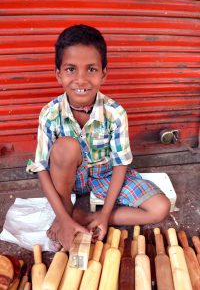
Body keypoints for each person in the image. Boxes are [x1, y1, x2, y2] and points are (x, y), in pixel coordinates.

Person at [27, 24, 170, 251]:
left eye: (91, 69)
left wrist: (104, 215)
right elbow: (41, 168)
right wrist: (61, 216)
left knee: (160, 208)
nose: (81, 80)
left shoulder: (115, 113)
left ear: (104, 73)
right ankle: (65, 213)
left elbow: (121, 164)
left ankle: (83, 216)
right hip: (68, 181)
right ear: (58, 74)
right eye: (71, 69)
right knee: (66, 147)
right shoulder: (50, 113)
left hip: (105, 175)